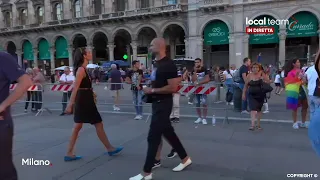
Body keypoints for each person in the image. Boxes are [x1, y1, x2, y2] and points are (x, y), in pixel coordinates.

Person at [130, 38, 191, 180]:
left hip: (164, 103)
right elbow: (157, 81)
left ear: (159, 46)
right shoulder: (156, 64)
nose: (150, 47)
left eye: (151, 45)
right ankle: (185, 158)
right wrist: (149, 87)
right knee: (168, 132)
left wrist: (152, 90)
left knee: (153, 137)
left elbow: (173, 87)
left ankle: (146, 172)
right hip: (157, 102)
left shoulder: (169, 64)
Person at [64, 48, 123, 161]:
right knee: (96, 123)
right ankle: (109, 148)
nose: (91, 54)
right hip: (84, 101)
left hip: (85, 98)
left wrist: (90, 91)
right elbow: (75, 88)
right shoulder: (81, 70)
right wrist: (70, 104)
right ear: (84, 55)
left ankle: (69, 153)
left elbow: (80, 87)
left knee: (80, 126)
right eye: (89, 53)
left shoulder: (83, 69)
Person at [0, 52, 33, 180]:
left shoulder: (3, 58)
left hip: (1, 123)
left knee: (4, 171)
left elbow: (25, 82)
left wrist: (3, 106)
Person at [242, 63, 270, 130]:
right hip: (251, 94)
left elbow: (268, 81)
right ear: (251, 68)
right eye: (253, 67)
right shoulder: (249, 75)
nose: (255, 69)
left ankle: (258, 125)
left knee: (259, 110)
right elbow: (245, 85)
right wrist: (243, 94)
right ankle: (252, 125)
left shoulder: (261, 74)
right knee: (253, 109)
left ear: (259, 68)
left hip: (260, 94)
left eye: (257, 67)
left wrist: (263, 78)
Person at [284, 59, 308, 129]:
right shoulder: (290, 72)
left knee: (305, 106)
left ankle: (303, 122)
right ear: (293, 64)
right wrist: (296, 77)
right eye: (297, 62)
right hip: (295, 90)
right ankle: (295, 122)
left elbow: (304, 81)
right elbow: (289, 82)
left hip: (303, 89)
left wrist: (304, 79)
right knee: (295, 107)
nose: (299, 63)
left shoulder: (302, 71)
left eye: (299, 62)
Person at [309, 50, 320, 157]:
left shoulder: (309, 70)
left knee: (313, 111)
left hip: (312, 93)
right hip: (316, 94)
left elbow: (303, 79)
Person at [192, 58, 210, 125]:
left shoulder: (205, 69)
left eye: (198, 62)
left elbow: (207, 79)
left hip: (203, 88)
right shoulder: (193, 69)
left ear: (200, 62)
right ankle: (199, 117)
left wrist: (199, 83)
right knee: (197, 103)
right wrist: (194, 72)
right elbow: (193, 80)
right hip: (196, 89)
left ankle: (204, 118)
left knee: (204, 103)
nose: (196, 63)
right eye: (195, 62)